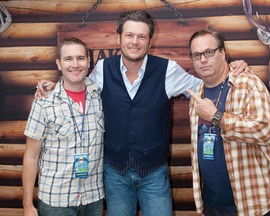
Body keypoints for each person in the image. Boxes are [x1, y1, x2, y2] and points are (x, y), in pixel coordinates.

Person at [35, 11, 249, 216]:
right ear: (119, 38)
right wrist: (55, 87)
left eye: (141, 36)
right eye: (129, 35)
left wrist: (232, 68)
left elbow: (207, 84)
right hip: (115, 172)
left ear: (149, 41)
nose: (134, 41)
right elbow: (80, 86)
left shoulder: (168, 70)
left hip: (154, 173)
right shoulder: (103, 68)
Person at [186, 29, 270, 216]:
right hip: (212, 205)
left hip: (253, 205)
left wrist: (217, 117)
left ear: (222, 53)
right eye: (197, 55)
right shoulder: (197, 93)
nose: (203, 60)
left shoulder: (248, 84)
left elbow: (265, 132)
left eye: (209, 52)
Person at [22, 37, 105, 216]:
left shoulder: (99, 96)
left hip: (93, 198)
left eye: (80, 58)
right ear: (59, 64)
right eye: (68, 59)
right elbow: (31, 155)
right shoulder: (44, 102)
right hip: (56, 201)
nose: (75, 64)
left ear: (88, 61)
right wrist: (27, 205)